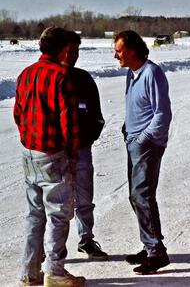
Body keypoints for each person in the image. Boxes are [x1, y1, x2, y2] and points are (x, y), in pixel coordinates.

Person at [14, 27, 86, 287]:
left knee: (34, 214)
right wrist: (73, 152)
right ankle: (54, 271)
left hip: (29, 152)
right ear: (61, 49)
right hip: (53, 154)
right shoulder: (60, 76)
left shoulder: (25, 74)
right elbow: (69, 121)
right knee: (58, 214)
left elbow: (18, 114)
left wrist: (28, 139)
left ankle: (29, 273)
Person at [114, 30, 172, 275]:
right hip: (134, 142)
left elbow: (162, 114)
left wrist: (143, 138)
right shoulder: (132, 73)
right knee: (136, 196)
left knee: (142, 195)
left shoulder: (152, 72)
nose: (115, 55)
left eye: (119, 50)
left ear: (132, 50)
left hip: (147, 144)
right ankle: (151, 245)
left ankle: (156, 252)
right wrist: (128, 130)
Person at [62, 31, 107, 259]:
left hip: (81, 150)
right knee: (55, 201)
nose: (73, 56)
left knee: (84, 197)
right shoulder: (50, 78)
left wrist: (87, 138)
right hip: (55, 152)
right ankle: (51, 247)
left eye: (76, 52)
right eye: (69, 51)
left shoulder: (84, 78)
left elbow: (97, 115)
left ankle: (86, 239)